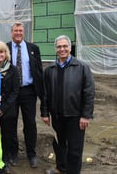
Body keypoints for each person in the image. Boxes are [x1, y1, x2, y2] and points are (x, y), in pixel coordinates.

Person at [41, 35, 95, 174]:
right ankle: (61, 168)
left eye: (65, 46)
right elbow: (45, 94)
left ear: (70, 48)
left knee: (75, 150)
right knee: (59, 144)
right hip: (57, 116)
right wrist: (45, 113)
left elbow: (88, 92)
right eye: (59, 47)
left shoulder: (82, 67)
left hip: (75, 116)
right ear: (55, 49)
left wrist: (86, 115)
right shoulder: (50, 70)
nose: (62, 49)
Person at [6, 22, 44, 168]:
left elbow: (39, 71)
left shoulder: (33, 48)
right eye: (15, 31)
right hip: (11, 92)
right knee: (10, 123)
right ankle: (13, 153)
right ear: (11, 32)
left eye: (20, 31)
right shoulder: (6, 47)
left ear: (24, 32)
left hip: (28, 91)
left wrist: (41, 94)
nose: (18, 33)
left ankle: (31, 154)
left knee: (30, 123)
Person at [0, 41, 20, 173]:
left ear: (6, 53)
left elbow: (15, 91)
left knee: (7, 135)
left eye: (1, 52)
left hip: (8, 109)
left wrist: (4, 108)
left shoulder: (13, 69)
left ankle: (5, 160)